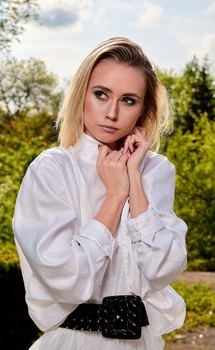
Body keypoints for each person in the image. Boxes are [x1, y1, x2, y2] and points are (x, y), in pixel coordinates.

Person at [13, 37, 188, 350]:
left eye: (128, 100)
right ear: (82, 95)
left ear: (143, 110)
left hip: (142, 343)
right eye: (101, 94)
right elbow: (68, 280)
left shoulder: (156, 171)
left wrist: (133, 179)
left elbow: (164, 268)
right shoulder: (52, 169)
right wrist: (114, 196)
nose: (111, 113)